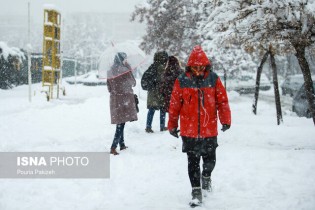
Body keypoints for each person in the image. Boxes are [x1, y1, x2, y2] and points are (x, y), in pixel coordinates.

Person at [167, 45, 231, 207]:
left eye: (201, 67)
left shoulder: (213, 79)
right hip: (189, 132)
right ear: (190, 67)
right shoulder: (181, 80)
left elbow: (222, 101)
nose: (198, 70)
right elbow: (174, 105)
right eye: (195, 67)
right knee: (193, 162)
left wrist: (225, 120)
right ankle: (196, 191)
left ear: (206, 66)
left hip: (209, 130)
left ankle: (207, 176)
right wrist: (172, 125)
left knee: (210, 161)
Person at [107, 52, 138, 155]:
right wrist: (129, 68)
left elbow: (109, 87)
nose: (126, 61)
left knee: (121, 121)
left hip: (115, 99)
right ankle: (113, 146)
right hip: (124, 99)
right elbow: (133, 82)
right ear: (122, 59)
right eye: (125, 59)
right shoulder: (125, 70)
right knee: (121, 123)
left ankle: (122, 144)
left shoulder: (110, 71)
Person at [141, 51, 169, 133]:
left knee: (151, 109)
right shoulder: (161, 67)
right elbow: (161, 79)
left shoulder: (152, 67)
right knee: (162, 109)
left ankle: (148, 126)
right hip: (159, 91)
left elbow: (146, 79)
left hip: (152, 92)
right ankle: (162, 126)